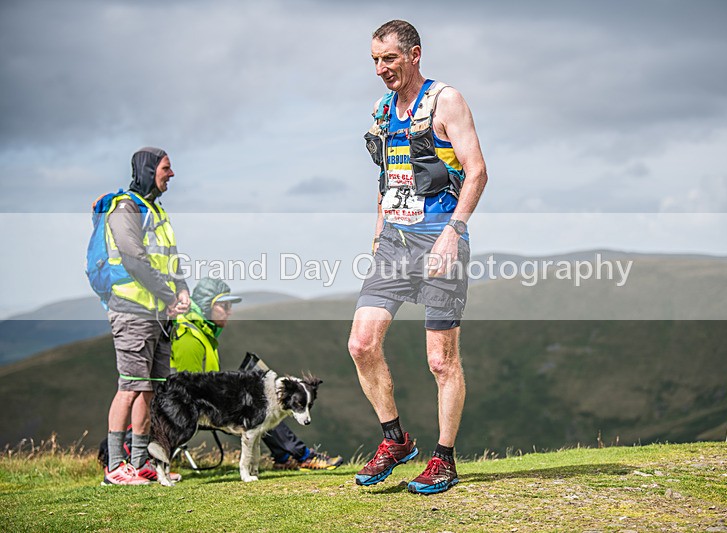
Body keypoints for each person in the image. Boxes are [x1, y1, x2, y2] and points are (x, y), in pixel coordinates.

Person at [348, 20, 488, 494]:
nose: (381, 69)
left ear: (414, 54)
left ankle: (443, 460)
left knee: (441, 360)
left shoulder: (445, 100)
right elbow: (389, 177)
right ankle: (396, 440)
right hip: (393, 240)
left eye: (389, 58)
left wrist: (454, 231)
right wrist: (377, 231)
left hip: (440, 237)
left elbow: (477, 172)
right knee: (361, 344)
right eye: (374, 61)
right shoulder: (383, 109)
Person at [170, 276, 343, 471]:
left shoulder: (204, 334)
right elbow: (191, 389)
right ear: (205, 306)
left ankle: (289, 455)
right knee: (263, 406)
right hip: (201, 408)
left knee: (265, 400)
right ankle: (298, 455)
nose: (230, 311)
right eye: (224, 306)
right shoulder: (190, 338)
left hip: (213, 403)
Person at [102, 147, 190, 485]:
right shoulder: (125, 208)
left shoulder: (156, 211)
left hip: (158, 314)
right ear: (149, 169)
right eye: (166, 168)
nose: (171, 175)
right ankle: (114, 467)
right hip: (132, 311)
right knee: (129, 388)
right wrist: (170, 296)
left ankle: (139, 464)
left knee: (149, 389)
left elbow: (170, 258)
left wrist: (181, 289)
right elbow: (134, 258)